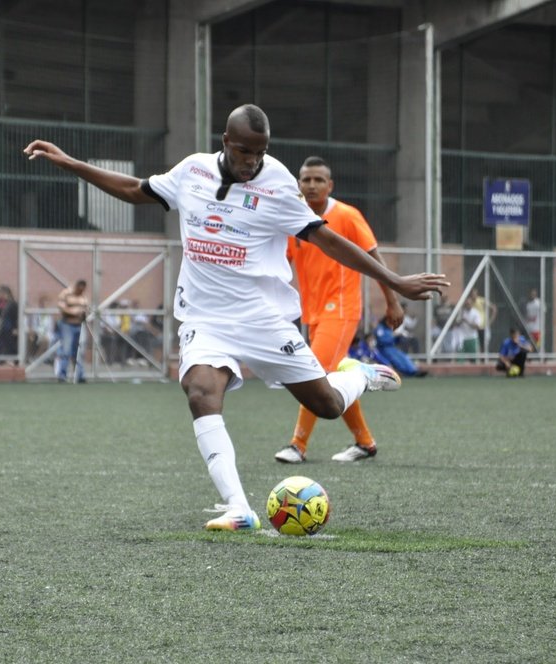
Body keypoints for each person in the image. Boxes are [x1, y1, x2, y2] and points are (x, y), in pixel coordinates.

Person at [24, 104, 449, 531]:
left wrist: (394, 281)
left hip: (262, 319)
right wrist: (71, 163)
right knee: (200, 390)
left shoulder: (279, 183)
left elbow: (327, 239)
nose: (253, 161)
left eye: (260, 152)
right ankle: (238, 508)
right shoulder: (193, 172)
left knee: (327, 404)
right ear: (226, 142)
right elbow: (137, 188)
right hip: (206, 318)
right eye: (245, 151)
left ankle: (359, 375)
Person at [273, 156, 405, 465]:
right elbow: (282, 264)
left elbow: (374, 258)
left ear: (330, 185)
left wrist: (392, 300)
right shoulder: (296, 219)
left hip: (343, 309)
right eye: (306, 179)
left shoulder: (347, 216)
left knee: (312, 372)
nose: (312, 185)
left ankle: (297, 446)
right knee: (332, 377)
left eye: (319, 180)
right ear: (298, 184)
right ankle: (365, 442)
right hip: (314, 314)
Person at [56, 279, 89, 383]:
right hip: (67, 325)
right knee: (66, 350)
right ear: (76, 287)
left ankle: (80, 375)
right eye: (79, 289)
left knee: (78, 351)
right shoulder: (66, 294)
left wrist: (83, 314)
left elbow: (85, 309)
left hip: (78, 325)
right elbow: (61, 307)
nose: (80, 291)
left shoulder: (83, 297)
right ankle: (62, 375)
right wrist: (74, 312)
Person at [0, 284, 19, 361]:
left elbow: (16, 317)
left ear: (6, 293)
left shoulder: (13, 304)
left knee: (10, 345)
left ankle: (12, 360)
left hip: (9, 327)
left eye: (1, 292)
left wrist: (16, 328)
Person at [456, 292, 482, 361]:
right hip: (462, 338)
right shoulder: (461, 312)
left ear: (471, 304)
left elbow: (477, 326)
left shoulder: (475, 313)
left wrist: (467, 321)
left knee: (474, 359)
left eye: (469, 304)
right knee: (460, 359)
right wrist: (461, 320)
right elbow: (457, 324)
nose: (467, 305)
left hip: (472, 338)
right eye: (466, 304)